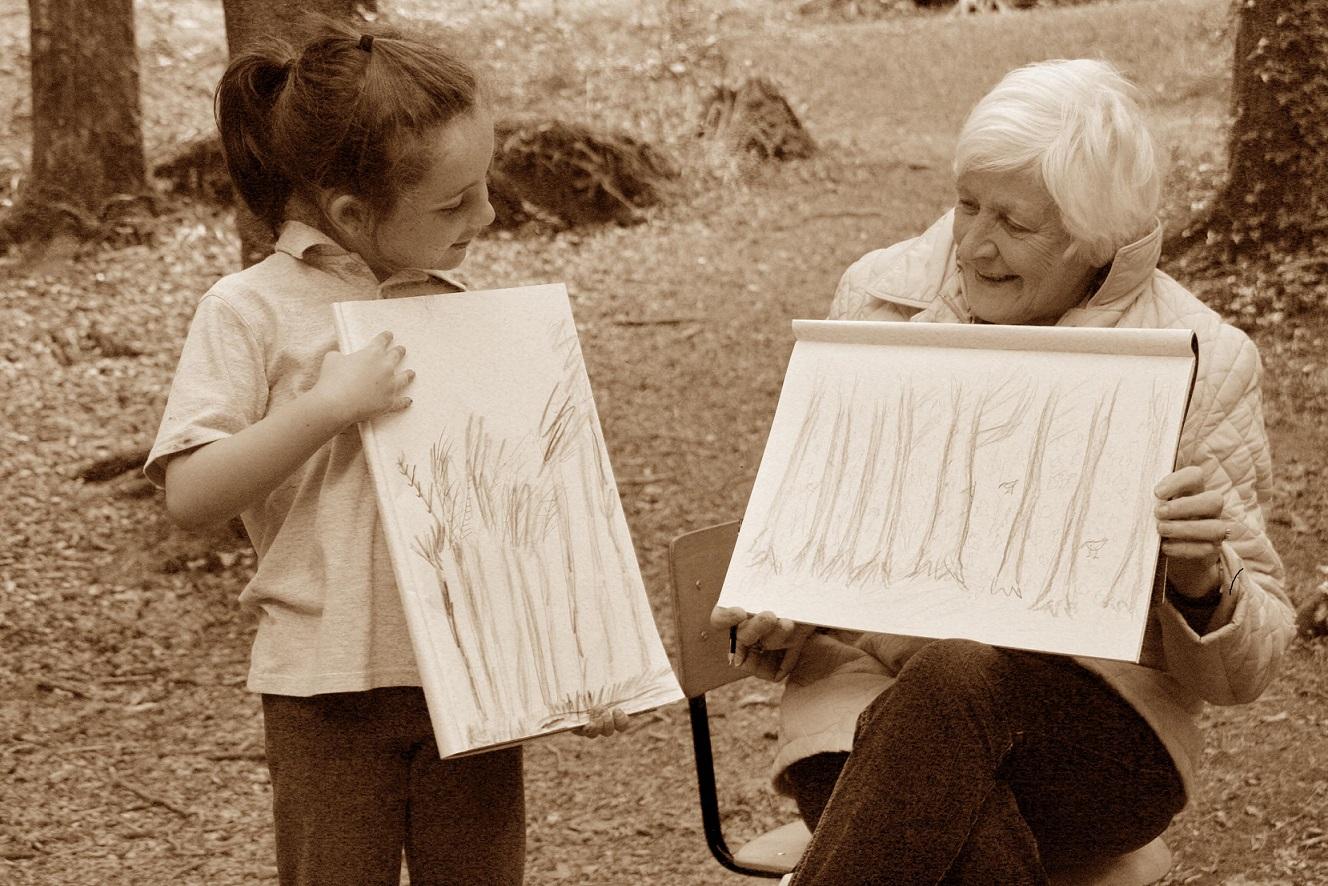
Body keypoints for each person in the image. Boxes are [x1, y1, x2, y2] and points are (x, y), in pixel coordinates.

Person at [713, 58, 1296, 884]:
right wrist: (781, 605)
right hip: (865, 708)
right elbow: (807, 530)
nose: (973, 244)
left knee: (957, 677)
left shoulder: (1205, 359)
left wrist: (1204, 582)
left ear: (1096, 238)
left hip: (1097, 733)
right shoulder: (879, 298)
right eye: (965, 203)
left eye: (1013, 223)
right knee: (962, 836)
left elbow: (1253, 664)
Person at [145, 22, 626, 886]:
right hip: (324, 689)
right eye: (453, 203)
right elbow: (190, 494)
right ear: (351, 214)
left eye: (484, 187)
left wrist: (580, 661)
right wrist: (328, 405)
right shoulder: (247, 309)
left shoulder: (464, 307)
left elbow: (521, 512)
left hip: (473, 682)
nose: (486, 215)